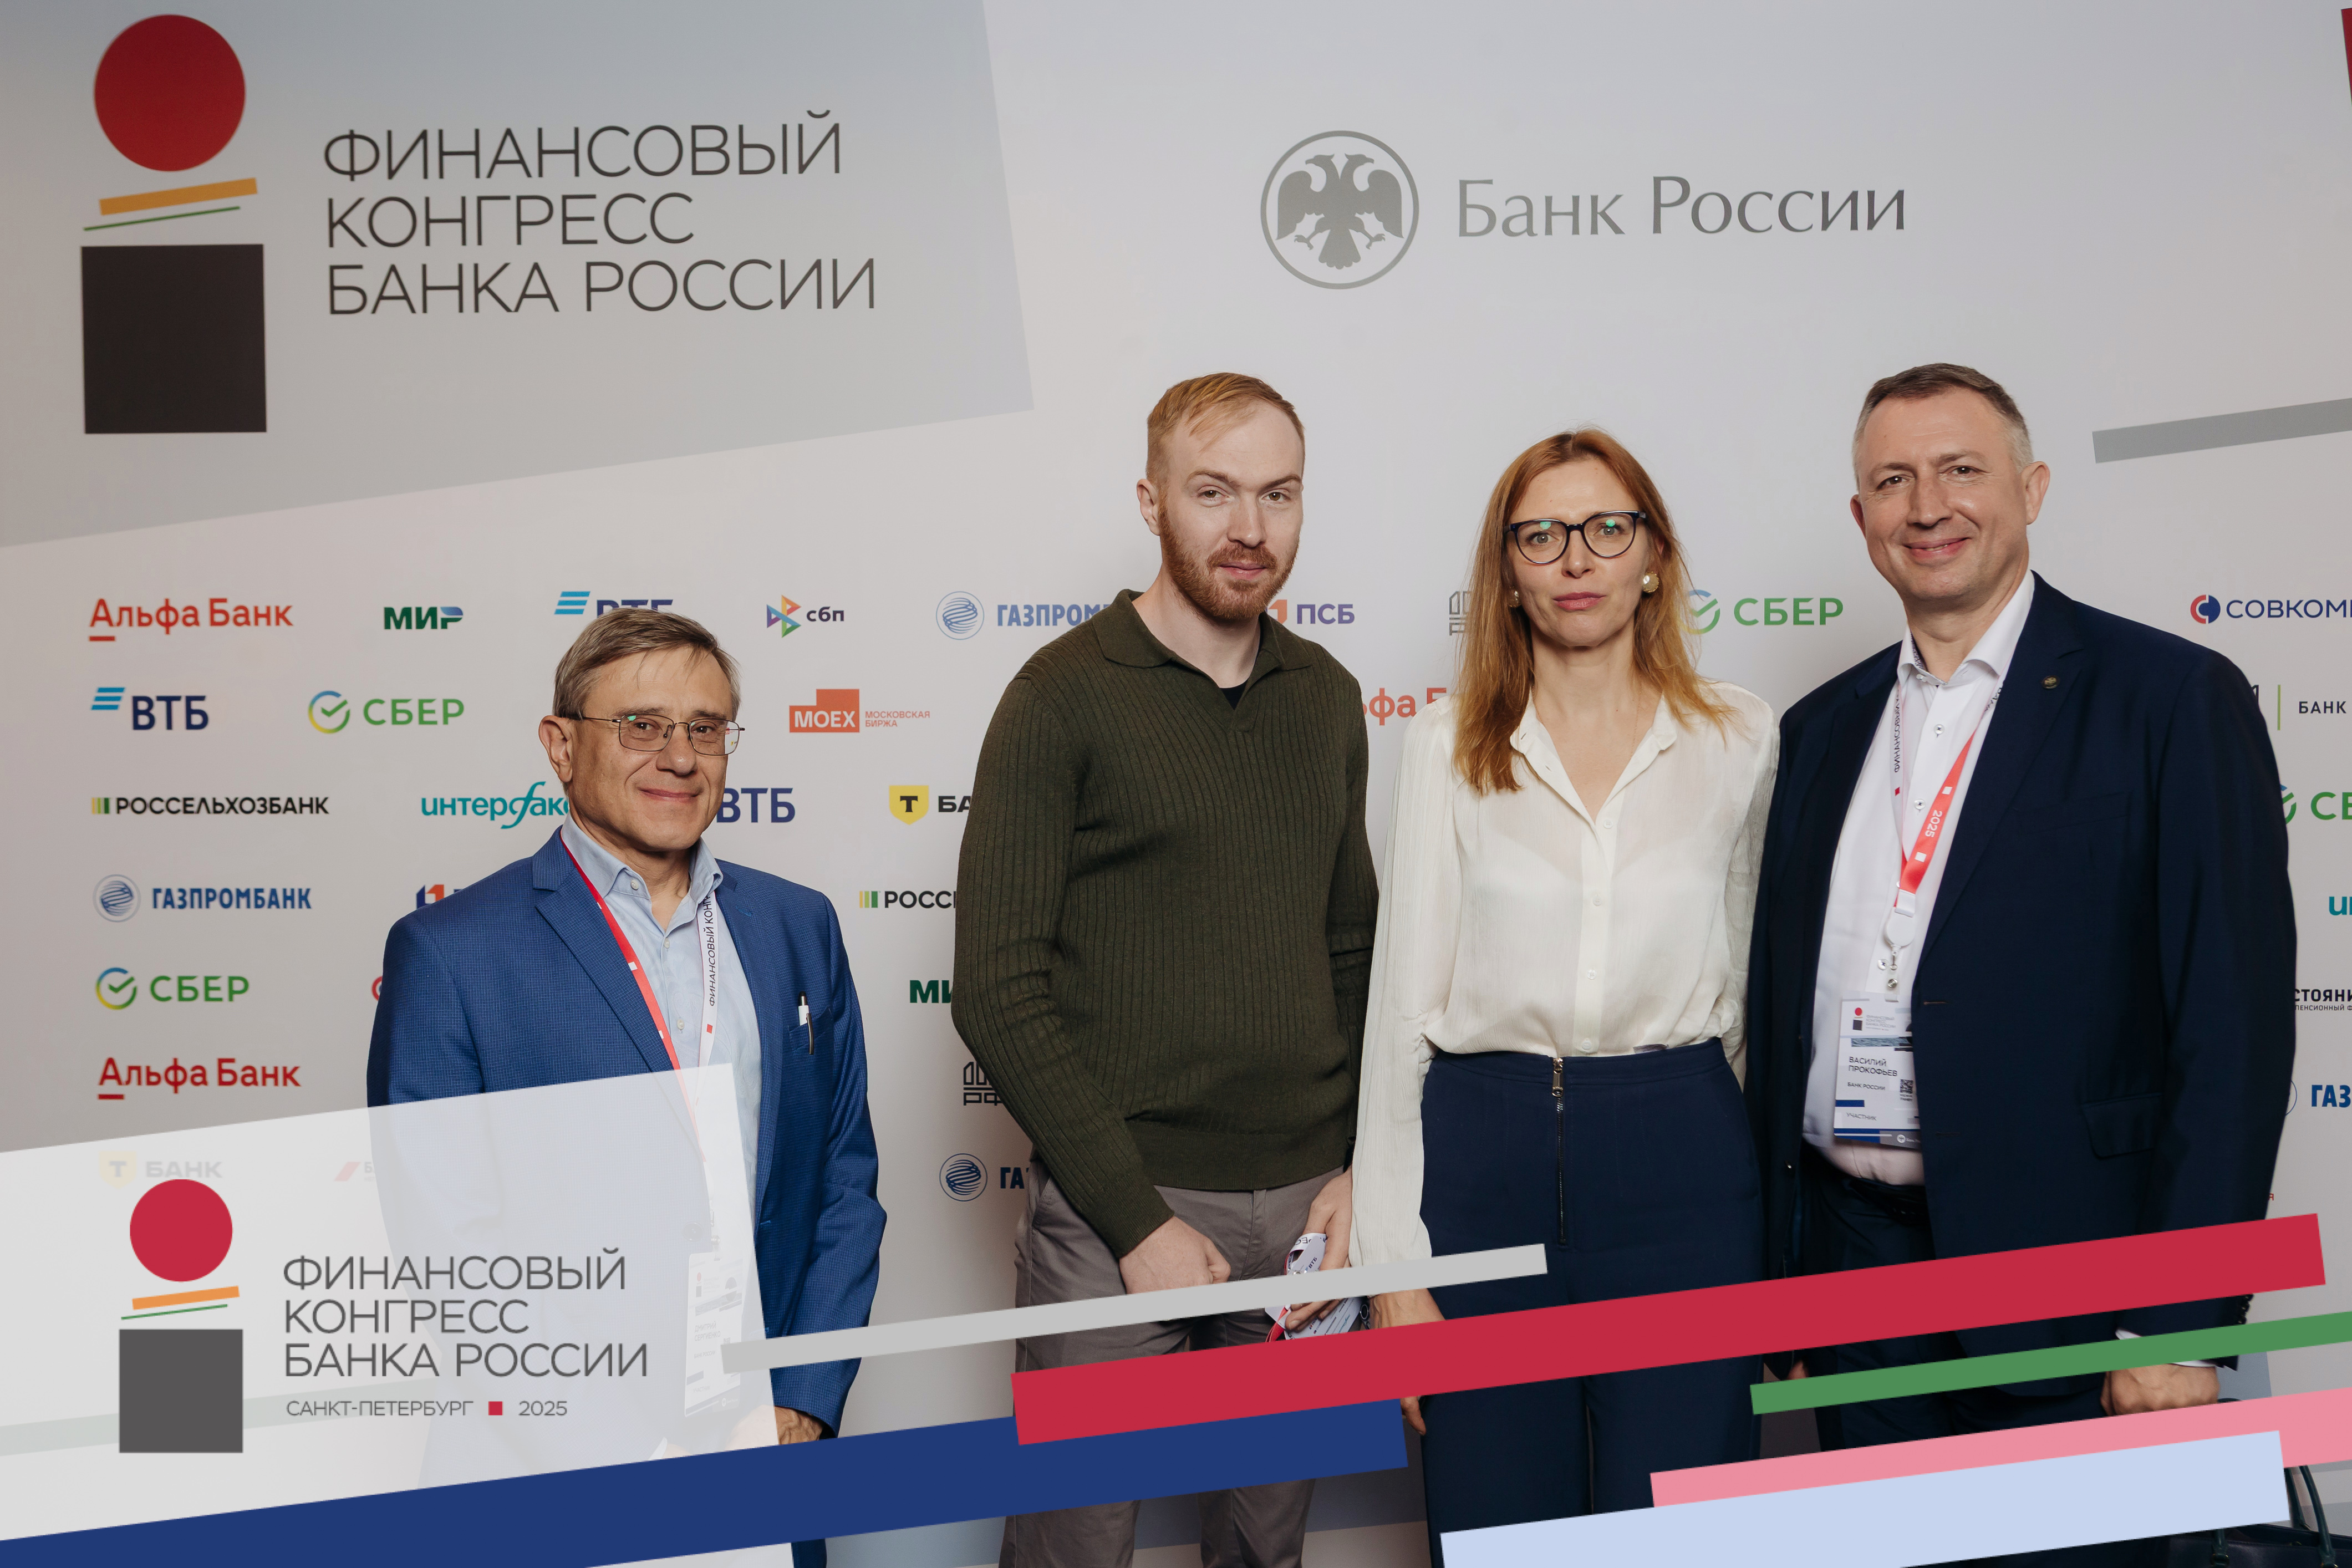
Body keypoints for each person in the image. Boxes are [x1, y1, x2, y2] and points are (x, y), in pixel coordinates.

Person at [1745, 364, 2294, 1567]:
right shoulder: (1820, 728)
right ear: (1860, 516)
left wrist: (2181, 1323)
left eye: (1961, 469)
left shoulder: (2170, 698)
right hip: (1855, 1280)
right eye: (1893, 479)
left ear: (2031, 488)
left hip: (2074, 1297)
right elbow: (1785, 1010)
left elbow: (2235, 1034)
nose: (1927, 505)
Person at [953, 372, 1377, 1568]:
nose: (1249, 528)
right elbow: (995, 985)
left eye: (1278, 494)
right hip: (1118, 1213)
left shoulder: (1326, 697)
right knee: (1073, 1546)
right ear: (1151, 502)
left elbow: (1353, 949)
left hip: (1305, 1217)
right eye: (1213, 492)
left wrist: (1362, 1168)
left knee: (1264, 1548)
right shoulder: (1060, 696)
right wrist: (1135, 1218)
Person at [368, 609, 884, 1568]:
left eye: (705, 728)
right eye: (641, 725)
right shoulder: (451, 953)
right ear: (561, 746)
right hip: (550, 1476)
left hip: (761, 1455)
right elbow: (448, 1251)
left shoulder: (797, 926)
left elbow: (844, 1184)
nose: (678, 757)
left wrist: (802, 1402)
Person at [1351, 429, 1778, 1560]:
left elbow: (1750, 991)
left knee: (1684, 1531)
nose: (1575, 557)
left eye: (1606, 528)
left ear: (1654, 558)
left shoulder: (1739, 737)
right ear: (1507, 573)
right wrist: (1396, 1277)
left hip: (1685, 1162)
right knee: (1500, 1529)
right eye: (1539, 534)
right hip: (1484, 1160)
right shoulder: (1444, 742)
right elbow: (1401, 1016)